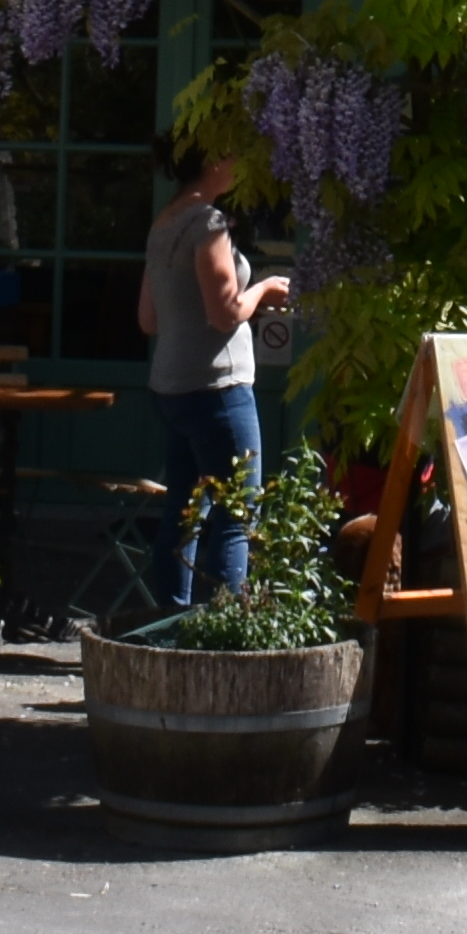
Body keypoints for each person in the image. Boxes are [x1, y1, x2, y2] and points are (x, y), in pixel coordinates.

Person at [139, 137, 293, 612]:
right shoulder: (207, 222)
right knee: (236, 514)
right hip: (218, 389)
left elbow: (148, 319)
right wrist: (265, 288)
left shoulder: (164, 223)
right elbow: (225, 314)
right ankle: (227, 632)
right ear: (213, 159)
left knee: (184, 511)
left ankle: (170, 620)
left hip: (170, 386)